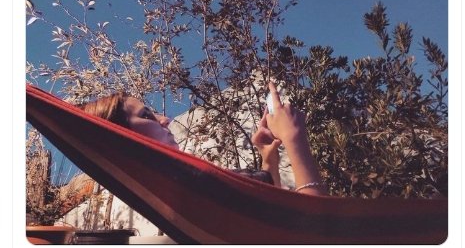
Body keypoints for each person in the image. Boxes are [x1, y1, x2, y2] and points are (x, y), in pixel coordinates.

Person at [81, 82, 327, 196]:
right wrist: (295, 139)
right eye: (146, 115)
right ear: (122, 138)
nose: (165, 119)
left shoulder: (177, 188)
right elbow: (313, 232)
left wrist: (268, 160)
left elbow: (270, 217)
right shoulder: (193, 188)